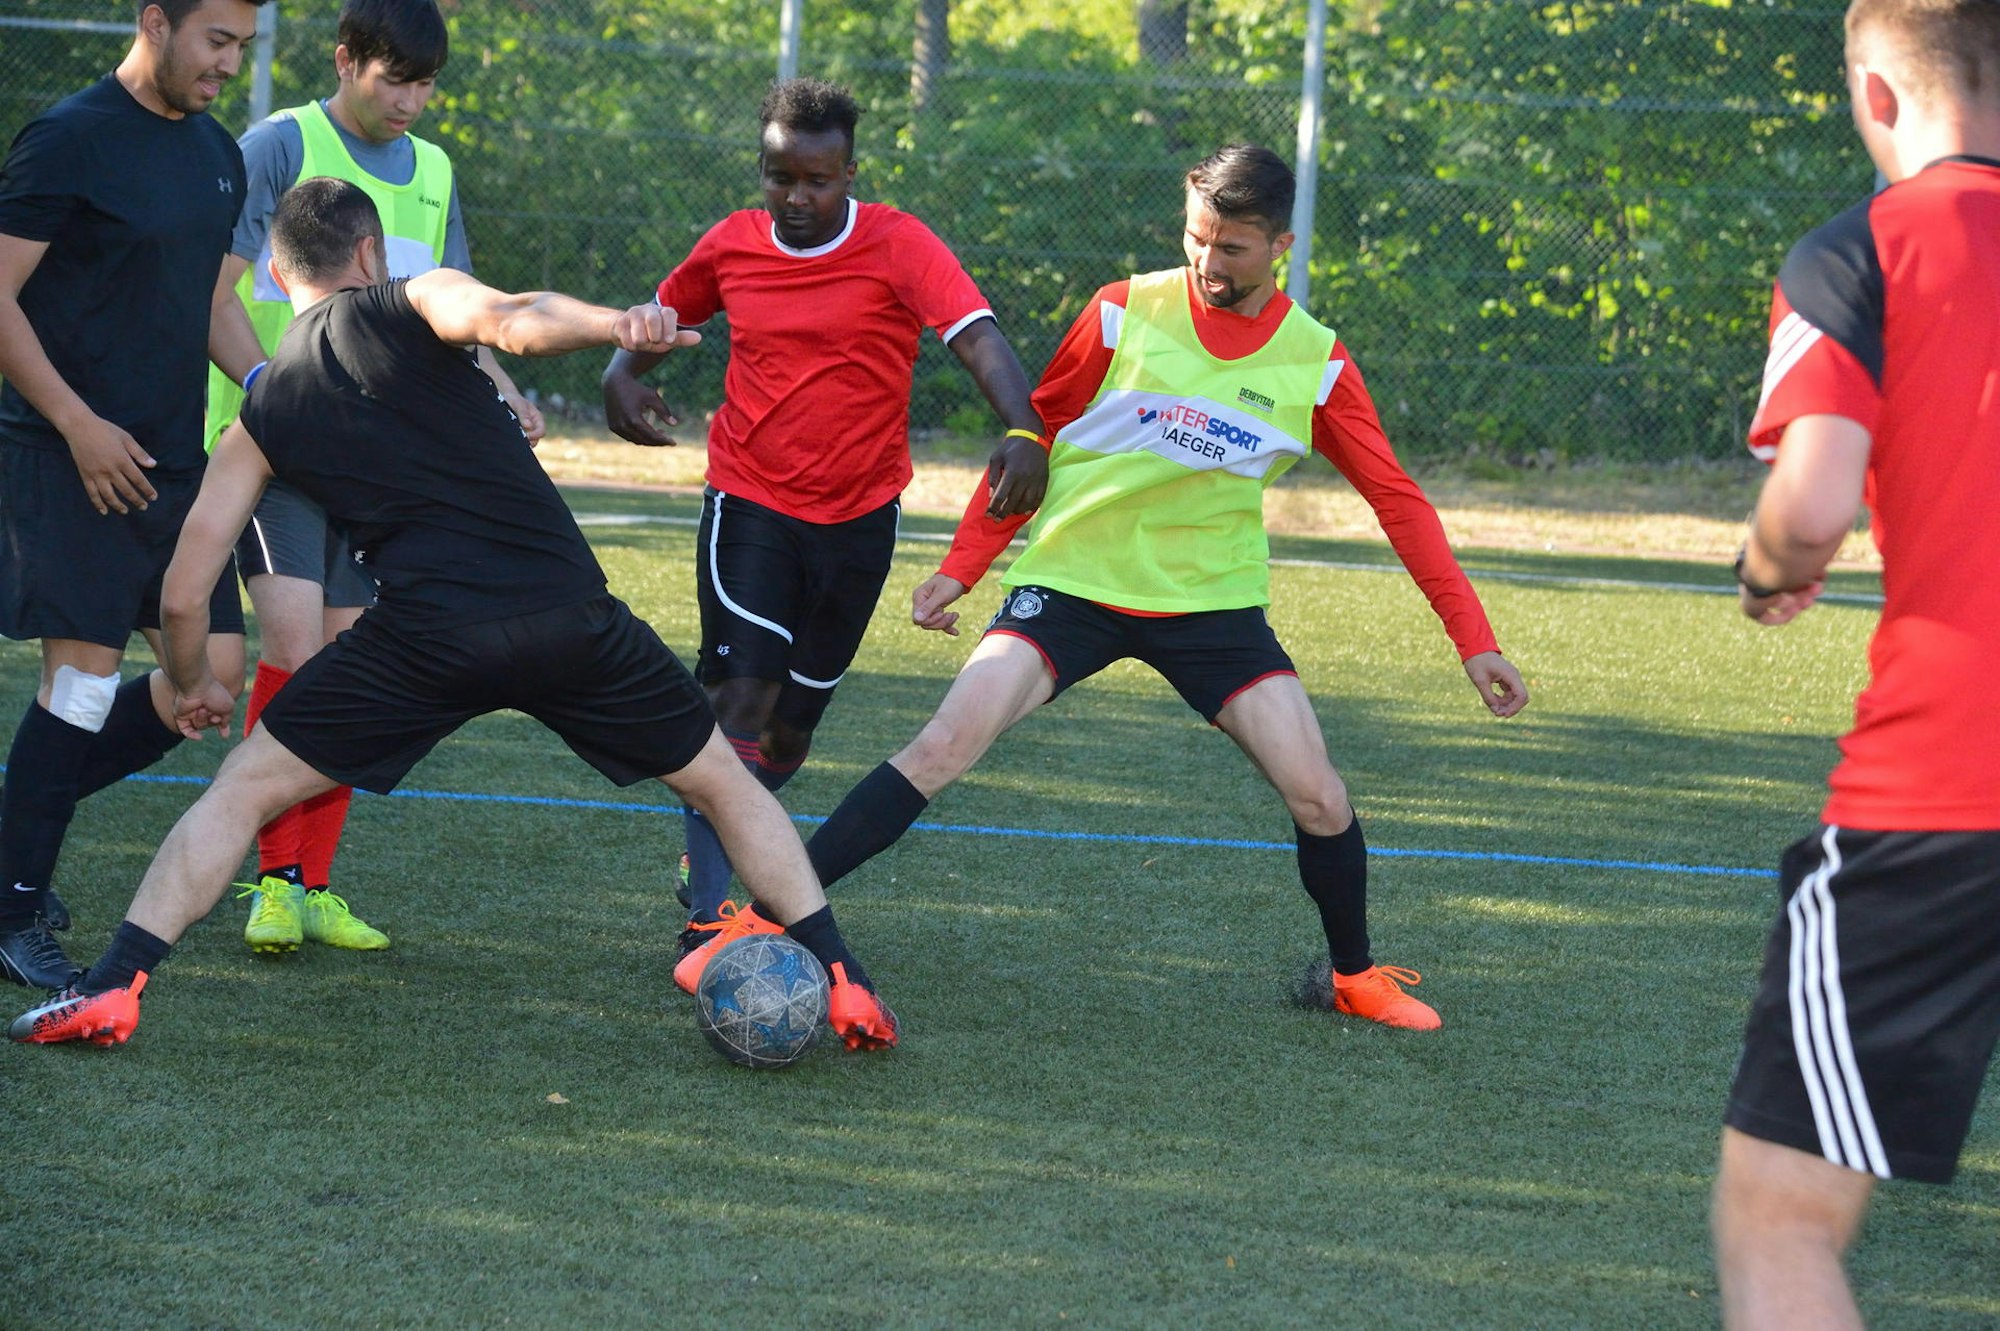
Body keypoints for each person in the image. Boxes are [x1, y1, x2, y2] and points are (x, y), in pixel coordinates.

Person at [7, 178, 897, 1052]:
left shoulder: (264, 406)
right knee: (723, 784)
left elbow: (182, 587)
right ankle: (845, 976)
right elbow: (512, 315)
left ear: (279, 280)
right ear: (370, 253)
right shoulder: (410, 298)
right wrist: (613, 324)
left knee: (242, 789)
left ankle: (112, 987)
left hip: (426, 639)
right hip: (567, 614)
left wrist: (195, 680)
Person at [797, 144, 1529, 1032]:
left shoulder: (1315, 361)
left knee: (1321, 795)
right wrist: (962, 566)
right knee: (941, 746)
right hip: (1073, 582)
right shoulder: (1120, 311)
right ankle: (769, 912)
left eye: (1233, 250)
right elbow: (1035, 437)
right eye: (1197, 240)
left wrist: (1474, 637)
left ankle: (1353, 975)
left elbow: (1400, 503)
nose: (1208, 266)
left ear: (1282, 247)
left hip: (1213, 608)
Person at [599, 77, 1047, 989]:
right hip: (751, 502)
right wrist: (619, 378)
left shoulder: (900, 243)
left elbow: (977, 334)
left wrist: (1022, 425)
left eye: (816, 180)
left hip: (858, 518)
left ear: (850, 171)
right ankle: (712, 910)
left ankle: (731, 834)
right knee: (743, 704)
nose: (797, 199)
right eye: (779, 179)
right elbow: (661, 314)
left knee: (793, 733)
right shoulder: (732, 244)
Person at [1711, 3, 2000, 1325]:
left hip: (1944, 795)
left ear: (1876, 94)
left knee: (1782, 1217)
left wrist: (1773, 567)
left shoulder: (1860, 250)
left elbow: (1813, 502)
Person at [206, 0, 546, 957]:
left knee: (355, 668)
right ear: (346, 60)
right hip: (271, 453)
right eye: (394, 77)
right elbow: (213, 294)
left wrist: (505, 388)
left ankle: (315, 884)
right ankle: (271, 879)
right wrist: (281, 393)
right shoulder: (279, 145)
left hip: (375, 467)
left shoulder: (434, 170)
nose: (412, 100)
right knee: (295, 650)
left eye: (426, 82)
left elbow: (454, 312)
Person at [0, 0, 266, 990]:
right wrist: (75, 420)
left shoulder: (218, 153)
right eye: (215, 40)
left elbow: (208, 300)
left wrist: (276, 390)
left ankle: (11, 841)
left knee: (206, 684)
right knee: (78, 683)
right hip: (68, 458)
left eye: (242, 45)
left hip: (171, 465)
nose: (229, 64)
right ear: (155, 21)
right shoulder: (69, 139)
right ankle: (14, 904)